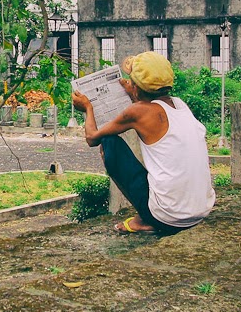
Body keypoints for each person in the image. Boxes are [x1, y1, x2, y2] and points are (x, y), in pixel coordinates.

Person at [71, 51, 214, 234]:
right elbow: (150, 111)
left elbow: (92, 137)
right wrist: (134, 94)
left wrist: (87, 108)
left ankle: (146, 218)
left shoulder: (138, 112)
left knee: (109, 143)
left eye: (131, 81)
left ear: (137, 88)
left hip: (168, 218)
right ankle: (152, 213)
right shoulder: (180, 105)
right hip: (201, 211)